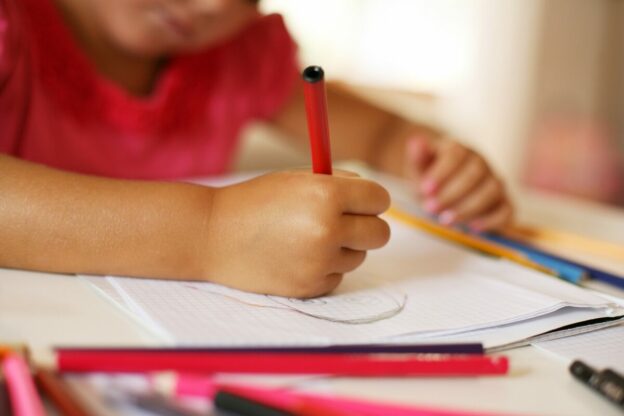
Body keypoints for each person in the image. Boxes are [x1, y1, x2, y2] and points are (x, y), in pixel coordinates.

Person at [0, 0, 513, 298]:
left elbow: (385, 136)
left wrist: (439, 162)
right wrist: (211, 231)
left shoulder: (233, 55)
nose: (217, 5)